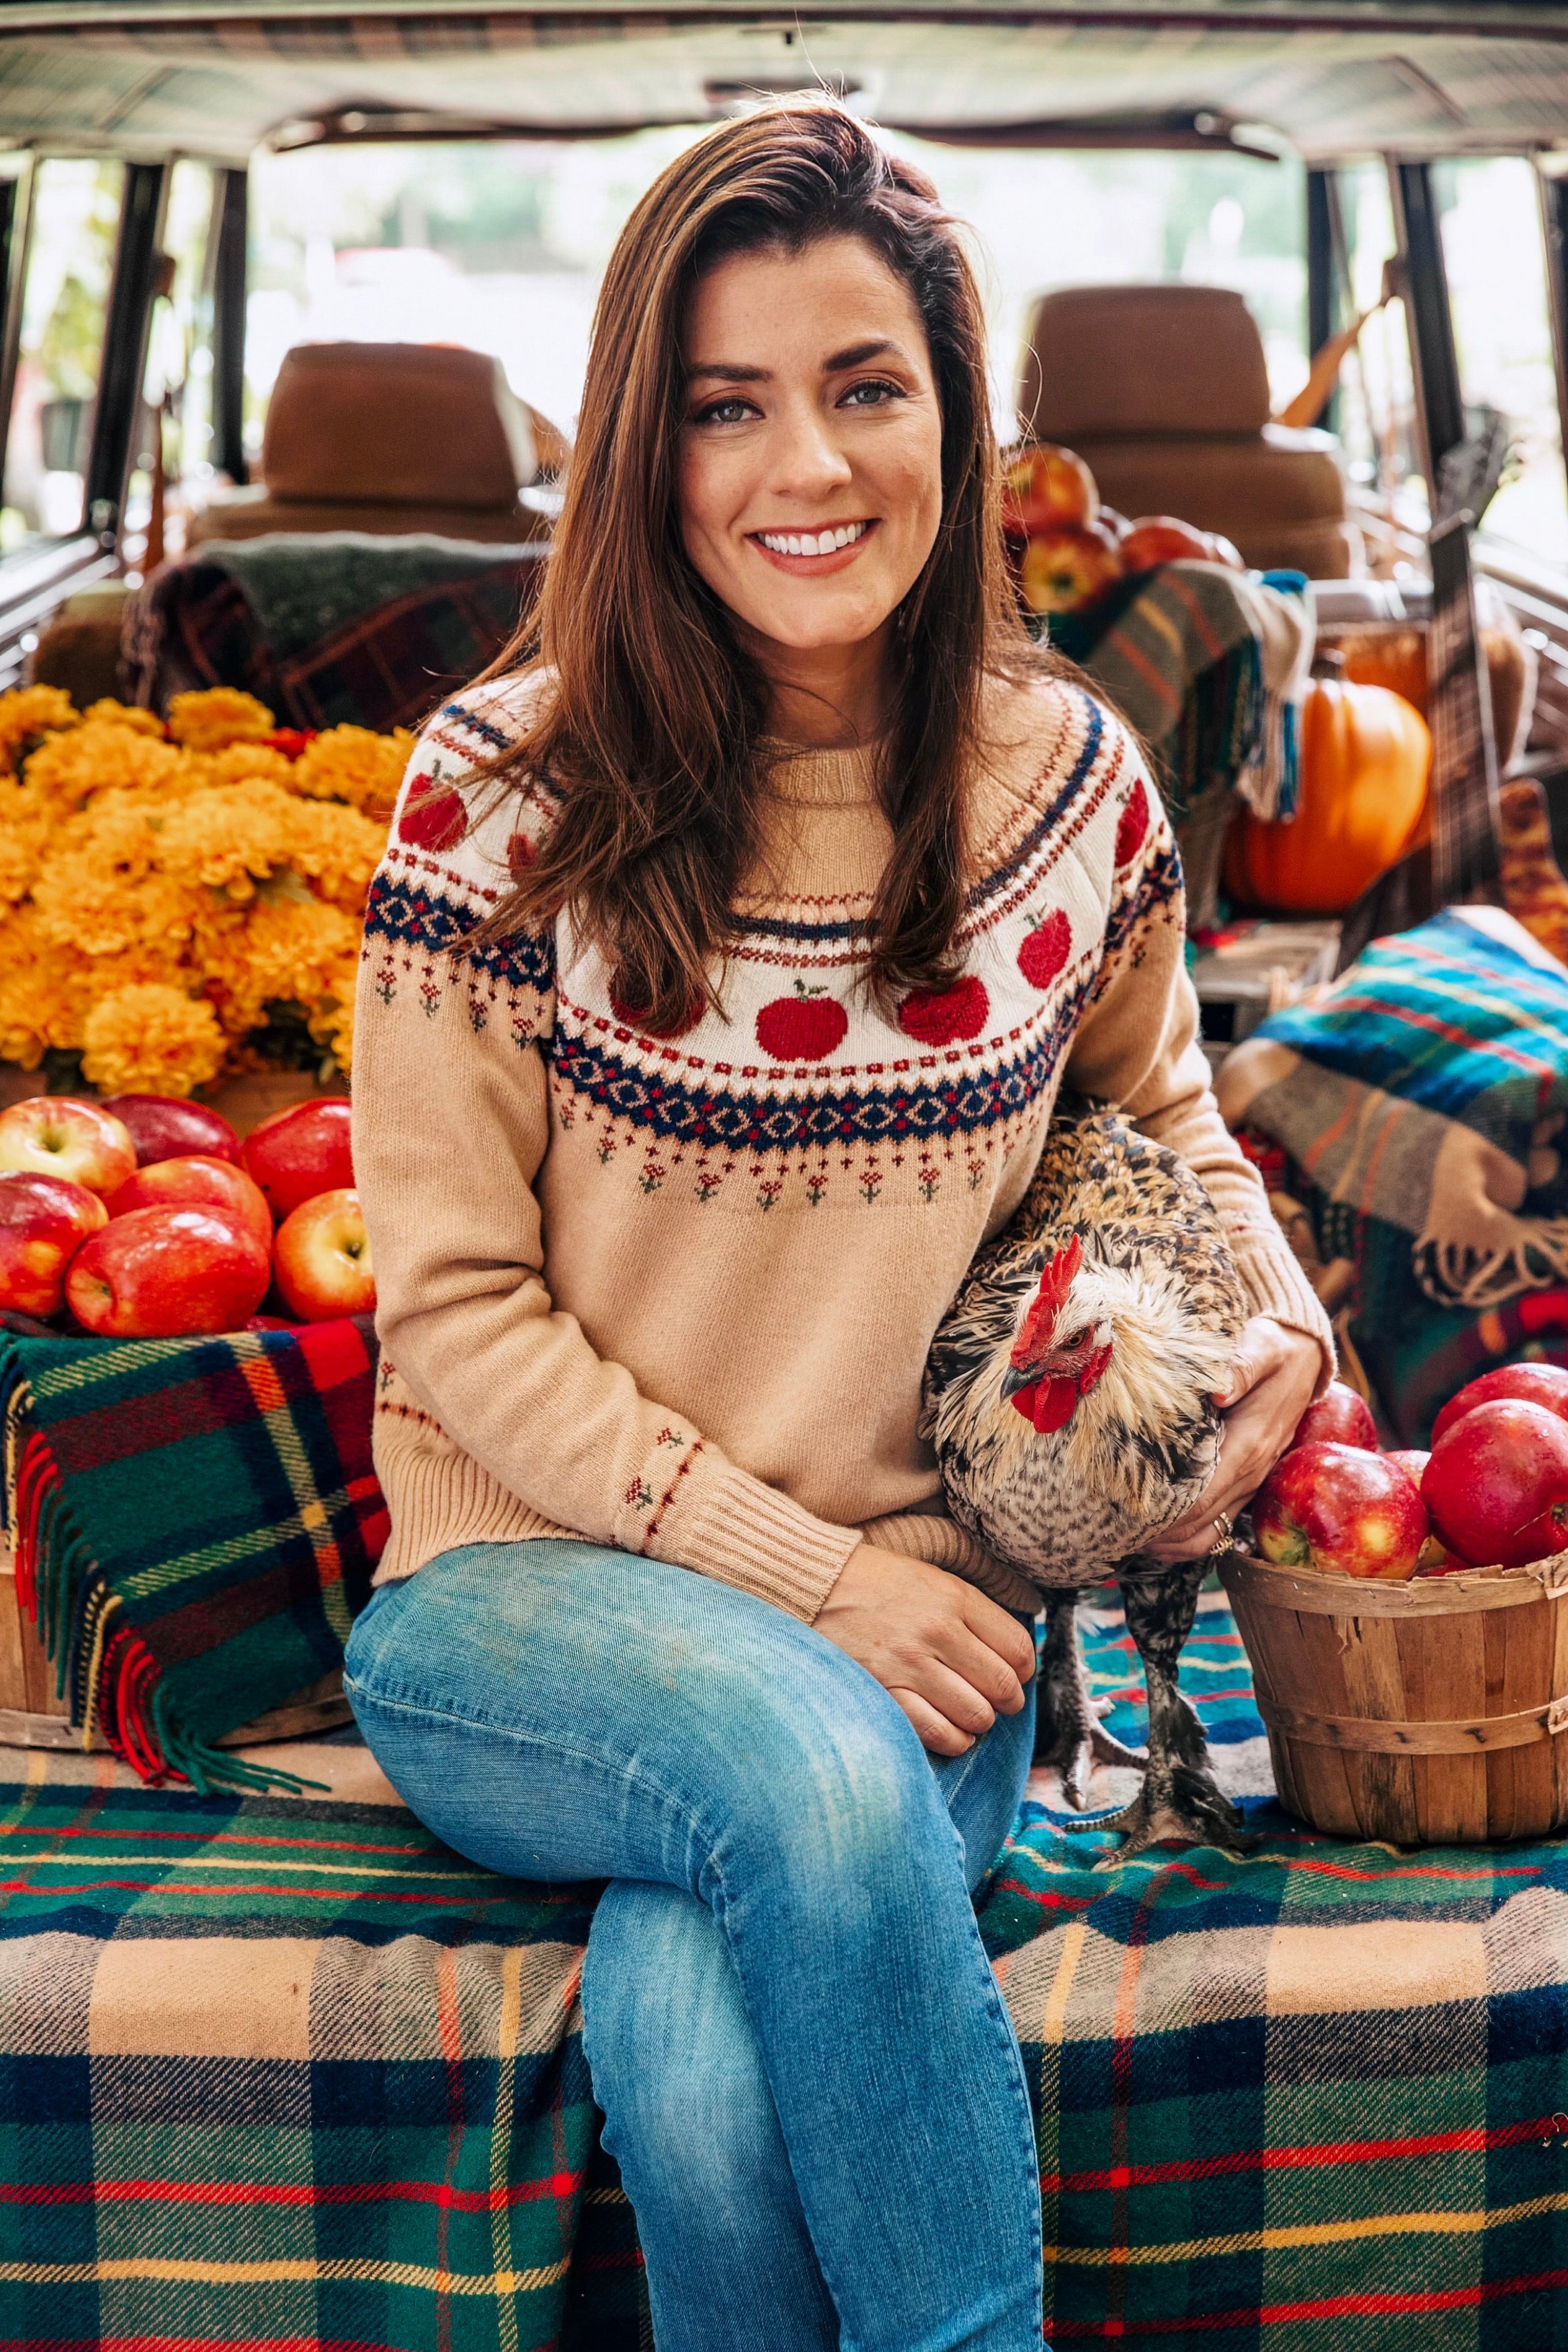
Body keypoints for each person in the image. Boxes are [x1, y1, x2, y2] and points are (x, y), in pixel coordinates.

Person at [343, 100, 1333, 2352]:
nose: (806, 465)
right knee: (798, 1761)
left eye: (866, 386)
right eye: (726, 406)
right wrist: (814, 1586)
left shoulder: (1065, 788)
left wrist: (1261, 1311)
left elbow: (1162, 1113)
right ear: (643, 445)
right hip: (517, 1602)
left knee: (698, 2073)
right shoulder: (496, 796)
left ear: (958, 421)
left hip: (933, 1613)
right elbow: (456, 1307)